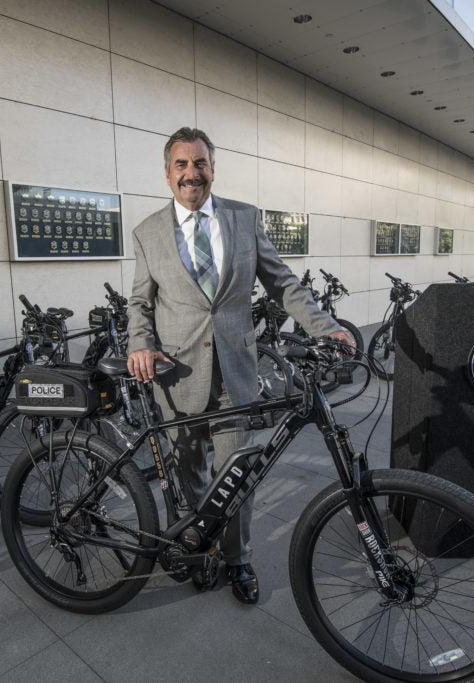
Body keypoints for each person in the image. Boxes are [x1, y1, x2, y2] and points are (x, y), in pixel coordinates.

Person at [126, 127, 354, 605]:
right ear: (167, 174)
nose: (192, 173)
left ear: (213, 168)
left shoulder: (244, 219)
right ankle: (199, 549)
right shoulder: (147, 232)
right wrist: (141, 344)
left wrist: (325, 326)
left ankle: (238, 559)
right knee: (189, 472)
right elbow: (140, 303)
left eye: (200, 163)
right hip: (176, 376)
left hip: (235, 372)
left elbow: (284, 283)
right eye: (182, 165)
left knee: (237, 475)